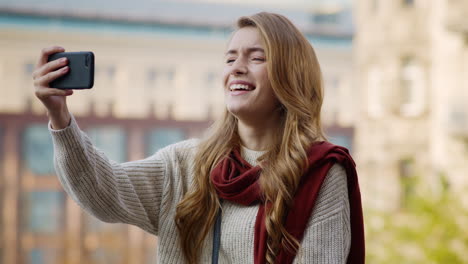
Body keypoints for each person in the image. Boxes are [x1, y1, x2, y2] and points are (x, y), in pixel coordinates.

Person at [33, 12, 364, 264]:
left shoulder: (320, 170)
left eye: (257, 57)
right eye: (230, 58)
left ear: (290, 76)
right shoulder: (184, 163)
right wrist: (59, 117)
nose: (236, 67)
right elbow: (102, 191)